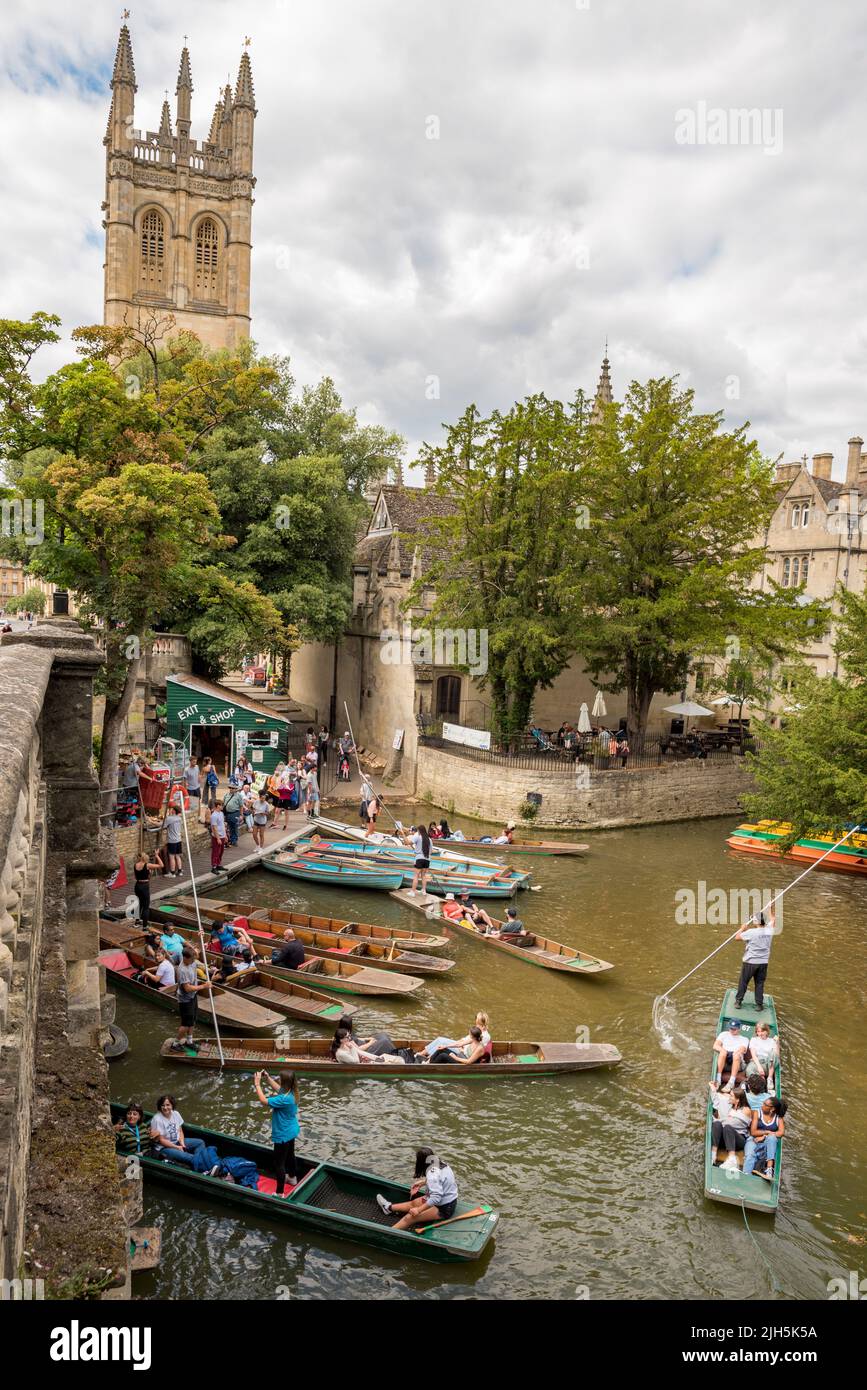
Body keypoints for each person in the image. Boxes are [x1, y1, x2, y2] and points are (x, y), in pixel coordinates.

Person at [376, 1149, 459, 1229]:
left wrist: (418, 1210)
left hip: (444, 1208)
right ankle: (388, 1208)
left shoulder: (432, 1175)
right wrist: (424, 1182)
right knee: (414, 1203)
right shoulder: (442, 1164)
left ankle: (386, 1233)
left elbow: (436, 1198)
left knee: (409, 1218)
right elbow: (441, 1180)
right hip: (450, 1201)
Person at [254, 1071, 300, 1195]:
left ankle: (280, 1193)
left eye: (280, 1079)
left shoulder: (283, 1099)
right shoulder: (292, 1092)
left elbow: (264, 1101)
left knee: (279, 1164)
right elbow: (279, 1089)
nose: (278, 1080)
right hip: (291, 1130)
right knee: (290, 1155)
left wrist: (257, 1084)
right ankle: (292, 1178)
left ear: (284, 1082)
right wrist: (268, 1078)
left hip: (283, 1134)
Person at [149, 1094, 209, 1170]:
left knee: (200, 1142)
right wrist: (177, 1147)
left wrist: (182, 1143)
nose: (165, 1107)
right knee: (189, 1157)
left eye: (168, 1105)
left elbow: (180, 1130)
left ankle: (197, 1161)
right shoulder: (157, 1119)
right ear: (160, 1106)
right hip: (165, 1148)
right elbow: (161, 1140)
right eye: (162, 1105)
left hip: (177, 1142)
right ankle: (202, 1167)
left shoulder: (176, 1114)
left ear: (172, 1105)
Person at [171, 944, 211, 1052]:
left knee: (192, 1021)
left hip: (193, 997)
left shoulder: (191, 960)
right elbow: (187, 988)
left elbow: (197, 953)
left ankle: (189, 1041)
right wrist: (204, 986)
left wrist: (201, 936)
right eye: (192, 959)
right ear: (185, 958)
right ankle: (175, 1044)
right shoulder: (182, 970)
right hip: (185, 999)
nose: (194, 960)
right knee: (186, 1024)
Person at [734, 910, 777, 1010]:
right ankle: (759, 1004)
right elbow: (773, 919)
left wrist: (742, 929)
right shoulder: (769, 930)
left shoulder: (750, 932)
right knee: (759, 983)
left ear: (757, 922)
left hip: (750, 962)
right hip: (763, 963)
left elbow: (736, 938)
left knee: (743, 982)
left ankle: (738, 1001)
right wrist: (771, 909)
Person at [743, 1096, 788, 1181]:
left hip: (767, 1144)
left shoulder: (778, 1118)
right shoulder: (757, 1113)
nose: (762, 1105)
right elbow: (753, 1132)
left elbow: (781, 1133)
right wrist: (767, 1132)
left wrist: (765, 1136)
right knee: (750, 1155)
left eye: (765, 1104)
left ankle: (769, 1169)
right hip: (754, 1140)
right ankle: (746, 1176)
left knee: (772, 1138)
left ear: (772, 1109)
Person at [709, 1084, 752, 1166]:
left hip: (738, 1140)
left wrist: (716, 1120)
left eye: (731, 1096)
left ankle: (732, 1159)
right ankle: (713, 1154)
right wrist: (714, 1089)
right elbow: (716, 1100)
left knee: (727, 1127)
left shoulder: (746, 1110)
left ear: (738, 1100)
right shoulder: (731, 1105)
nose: (729, 1097)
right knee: (717, 1124)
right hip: (725, 1138)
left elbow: (734, 1123)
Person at [420, 1012, 491, 1061]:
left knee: (442, 1043)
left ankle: (425, 1056)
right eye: (476, 1023)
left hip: (462, 1050)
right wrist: (460, 1042)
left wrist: (461, 1047)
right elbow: (466, 1040)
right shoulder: (477, 1030)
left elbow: (475, 1047)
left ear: (483, 1025)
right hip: (460, 1045)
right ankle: (423, 1053)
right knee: (440, 1039)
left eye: (478, 1024)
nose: (476, 1025)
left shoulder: (484, 1036)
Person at [330, 1027, 407, 1065]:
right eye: (347, 1037)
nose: (349, 1038)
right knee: (397, 1062)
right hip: (360, 1066)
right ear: (341, 1040)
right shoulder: (340, 1053)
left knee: (396, 1059)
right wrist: (352, 1048)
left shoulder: (346, 1045)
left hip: (366, 1061)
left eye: (349, 1036)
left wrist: (377, 1058)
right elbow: (356, 1062)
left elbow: (361, 1052)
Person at [713, 1018, 749, 1092]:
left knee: (736, 1055)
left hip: (737, 1063)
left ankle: (731, 1082)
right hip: (724, 1061)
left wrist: (736, 1052)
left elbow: (742, 1049)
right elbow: (715, 1045)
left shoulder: (744, 1039)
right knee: (722, 1052)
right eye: (730, 1028)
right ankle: (718, 1079)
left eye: (734, 1029)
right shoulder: (723, 1034)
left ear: (739, 1029)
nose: (732, 1030)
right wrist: (723, 1050)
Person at [132, 849, 163, 930]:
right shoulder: (147, 865)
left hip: (137, 885)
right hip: (144, 886)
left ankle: (137, 922)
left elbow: (136, 877)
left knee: (140, 904)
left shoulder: (135, 865)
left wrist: (147, 873)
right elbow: (161, 865)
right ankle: (145, 926)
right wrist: (157, 855)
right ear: (145, 858)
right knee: (146, 906)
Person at [746, 1021, 779, 1090]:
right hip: (757, 1062)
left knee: (773, 1054)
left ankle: (769, 1079)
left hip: (768, 1063)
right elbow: (754, 1055)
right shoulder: (754, 1040)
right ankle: (761, 1081)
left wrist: (777, 1043)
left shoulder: (771, 1041)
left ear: (767, 1031)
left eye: (762, 1031)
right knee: (749, 1070)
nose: (760, 1034)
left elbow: (776, 1056)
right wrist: (759, 1067)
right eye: (758, 1032)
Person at [404, 823, 431, 895]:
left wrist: (403, 834)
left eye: (418, 831)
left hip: (419, 858)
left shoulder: (418, 837)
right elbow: (431, 851)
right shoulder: (429, 839)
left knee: (416, 875)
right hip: (427, 859)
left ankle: (413, 892)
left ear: (419, 831)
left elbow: (407, 843)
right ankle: (424, 890)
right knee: (423, 875)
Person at [163, 805, 184, 878]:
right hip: (178, 840)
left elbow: (162, 825)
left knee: (172, 857)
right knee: (177, 856)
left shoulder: (170, 819)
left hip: (172, 841)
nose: (171, 810)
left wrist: (150, 821)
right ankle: (180, 871)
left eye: (172, 809)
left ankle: (172, 873)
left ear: (174, 811)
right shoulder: (179, 818)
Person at [222, 780, 245, 847]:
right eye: (230, 788)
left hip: (235, 813)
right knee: (228, 827)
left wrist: (241, 815)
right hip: (227, 813)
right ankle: (229, 840)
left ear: (236, 789)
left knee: (234, 827)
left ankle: (234, 840)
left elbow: (241, 806)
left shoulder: (239, 796)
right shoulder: (226, 795)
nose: (231, 789)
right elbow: (223, 804)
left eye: (233, 788)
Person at [210, 800, 228, 872]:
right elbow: (214, 828)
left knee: (221, 851)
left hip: (223, 835)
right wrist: (218, 838)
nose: (223, 806)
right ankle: (214, 867)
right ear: (218, 806)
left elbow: (223, 825)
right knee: (216, 851)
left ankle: (218, 864)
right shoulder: (214, 815)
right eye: (222, 805)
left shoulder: (221, 813)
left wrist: (225, 835)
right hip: (217, 837)